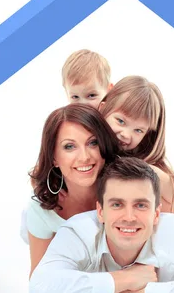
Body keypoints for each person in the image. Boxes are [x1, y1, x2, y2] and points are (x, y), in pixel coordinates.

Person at [29, 156, 174, 293]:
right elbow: (38, 288)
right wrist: (124, 279)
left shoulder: (173, 233)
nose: (129, 217)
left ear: (156, 214)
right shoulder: (78, 232)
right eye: (117, 204)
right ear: (100, 212)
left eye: (141, 205)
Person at [22, 103, 120, 277]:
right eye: (69, 146)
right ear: (54, 158)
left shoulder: (127, 190)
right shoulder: (41, 209)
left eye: (93, 142)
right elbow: (40, 282)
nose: (84, 157)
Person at [98, 75, 174, 224]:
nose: (126, 135)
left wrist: (142, 169)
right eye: (120, 121)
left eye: (138, 130)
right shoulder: (87, 143)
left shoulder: (139, 159)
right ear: (103, 108)